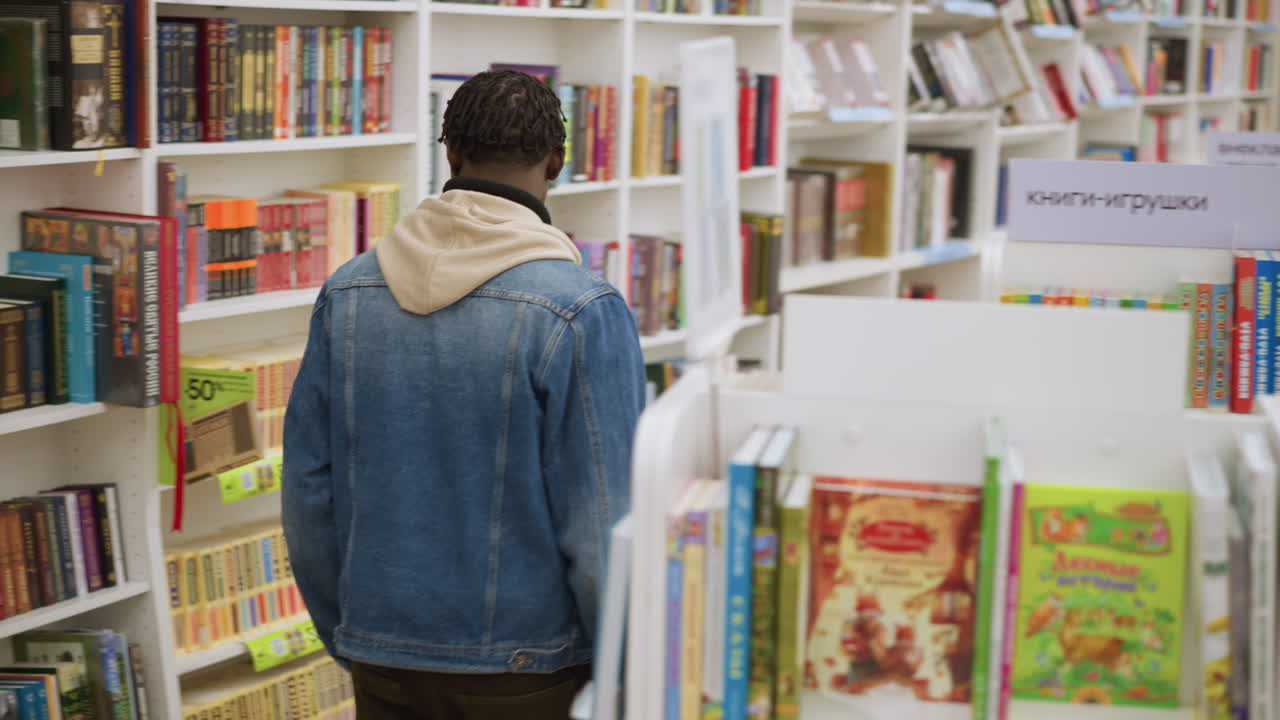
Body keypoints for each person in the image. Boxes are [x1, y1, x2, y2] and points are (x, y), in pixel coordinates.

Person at [282, 69, 647, 720]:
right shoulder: (579, 308)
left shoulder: (347, 292)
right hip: (531, 668)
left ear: (448, 154)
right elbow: (602, 526)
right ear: (557, 163)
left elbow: (308, 497)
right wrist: (623, 676)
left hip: (381, 657)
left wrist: (356, 635)